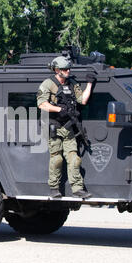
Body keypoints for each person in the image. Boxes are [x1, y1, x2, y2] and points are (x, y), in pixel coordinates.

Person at [37, 56, 95, 199]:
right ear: (57, 70)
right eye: (64, 69)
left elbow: (83, 100)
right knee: (56, 159)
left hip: (69, 127)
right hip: (54, 126)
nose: (68, 71)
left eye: (69, 68)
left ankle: (77, 189)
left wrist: (89, 84)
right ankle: (54, 188)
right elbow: (41, 104)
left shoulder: (72, 83)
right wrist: (58, 110)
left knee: (74, 159)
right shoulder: (48, 84)